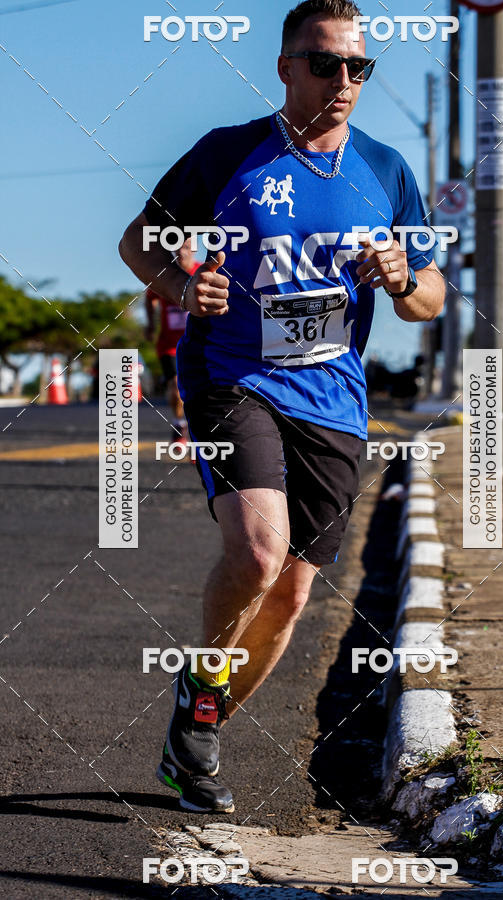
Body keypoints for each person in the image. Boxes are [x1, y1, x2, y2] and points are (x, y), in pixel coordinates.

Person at [119, 0, 445, 814]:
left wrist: (404, 276)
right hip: (234, 379)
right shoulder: (228, 155)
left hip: (333, 398)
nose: (344, 81)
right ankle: (197, 736)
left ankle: (197, 721)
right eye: (327, 63)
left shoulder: (386, 169)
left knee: (293, 595)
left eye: (358, 68)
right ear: (285, 67)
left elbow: (431, 299)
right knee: (260, 557)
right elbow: (140, 240)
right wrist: (182, 287)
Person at [144, 240, 199, 446]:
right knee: (175, 387)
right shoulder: (166, 275)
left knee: (198, 389)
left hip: (197, 343)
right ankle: (179, 424)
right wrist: (151, 324)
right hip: (169, 344)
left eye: (185, 248)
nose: (181, 253)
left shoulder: (202, 272)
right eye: (177, 250)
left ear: (193, 249)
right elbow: (150, 297)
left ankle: (195, 433)